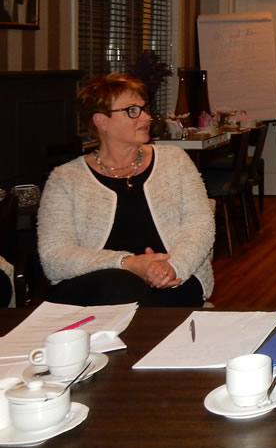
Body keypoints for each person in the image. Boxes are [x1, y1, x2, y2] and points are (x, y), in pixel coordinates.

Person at [38, 73, 215, 306]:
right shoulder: (65, 178)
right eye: (132, 111)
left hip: (172, 278)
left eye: (143, 109)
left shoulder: (175, 160)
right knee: (123, 287)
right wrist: (128, 263)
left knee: (163, 295)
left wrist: (173, 266)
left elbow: (200, 225)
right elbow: (54, 256)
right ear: (101, 121)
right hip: (94, 287)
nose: (146, 117)